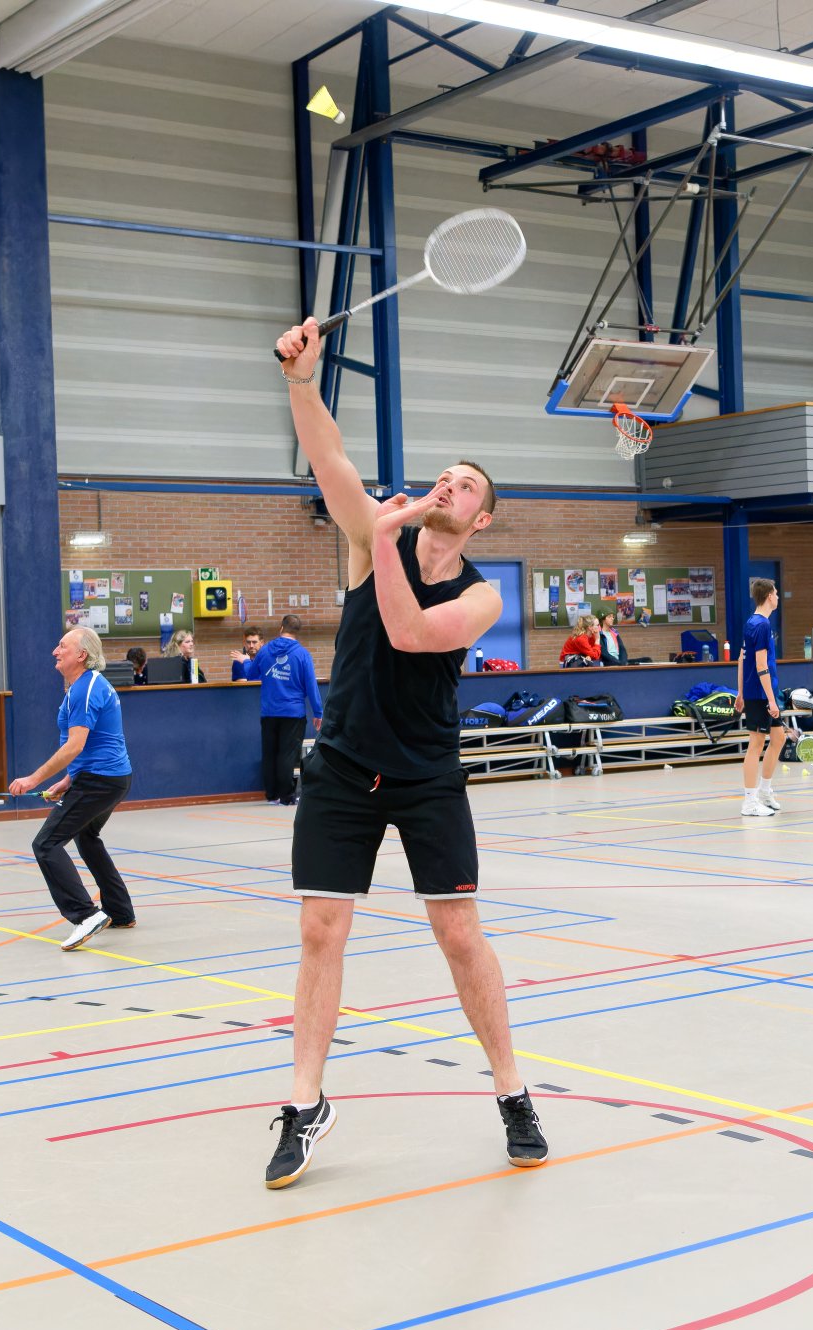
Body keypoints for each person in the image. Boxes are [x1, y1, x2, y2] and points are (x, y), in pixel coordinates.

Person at [267, 315, 546, 1189]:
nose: (450, 485)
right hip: (343, 767)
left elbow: (410, 630)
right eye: (446, 475)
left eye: (467, 486)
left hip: (426, 776)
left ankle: (512, 1090)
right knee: (320, 928)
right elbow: (329, 459)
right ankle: (304, 1102)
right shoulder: (368, 536)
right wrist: (301, 381)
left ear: (480, 518)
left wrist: (385, 538)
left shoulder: (480, 596)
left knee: (460, 935)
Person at [10, 627, 136, 951]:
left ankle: (86, 915)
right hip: (108, 778)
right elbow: (93, 743)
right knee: (86, 837)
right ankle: (120, 911)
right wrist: (67, 781)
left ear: (81, 654)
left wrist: (33, 779)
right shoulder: (82, 686)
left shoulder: (85, 689)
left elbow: (75, 746)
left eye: (62, 646)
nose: (55, 651)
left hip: (100, 780)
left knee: (46, 844)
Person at [251, 614, 323, 805]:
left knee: (269, 753)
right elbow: (311, 686)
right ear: (297, 632)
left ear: (281, 628)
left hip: (269, 712)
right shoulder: (302, 654)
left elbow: (251, 674)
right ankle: (286, 796)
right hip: (293, 712)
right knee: (287, 754)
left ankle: (271, 795)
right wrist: (318, 712)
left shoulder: (265, 650)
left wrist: (246, 661)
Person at [737, 578, 782, 817]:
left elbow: (741, 659)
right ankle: (749, 802)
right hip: (760, 693)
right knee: (756, 745)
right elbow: (760, 665)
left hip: (759, 691)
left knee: (779, 738)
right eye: (776, 593)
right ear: (768, 596)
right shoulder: (762, 625)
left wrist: (740, 692)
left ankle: (764, 791)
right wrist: (771, 700)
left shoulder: (751, 622)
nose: (778, 597)